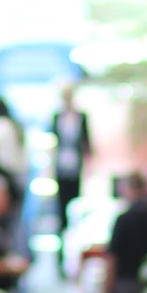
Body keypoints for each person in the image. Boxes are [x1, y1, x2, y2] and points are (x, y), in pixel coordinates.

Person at [51, 86, 92, 257]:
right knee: (61, 208)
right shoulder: (57, 117)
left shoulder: (81, 117)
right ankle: (61, 252)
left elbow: (87, 144)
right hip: (61, 167)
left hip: (75, 167)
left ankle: (74, 246)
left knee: (74, 205)